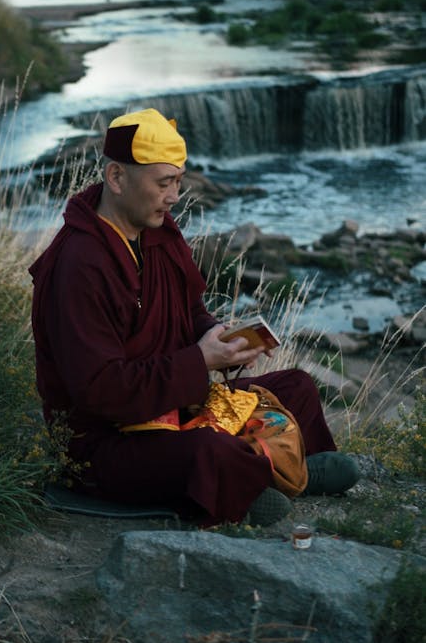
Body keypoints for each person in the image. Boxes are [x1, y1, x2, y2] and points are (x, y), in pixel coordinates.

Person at [29, 108, 359, 527]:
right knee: (209, 451)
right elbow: (100, 392)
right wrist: (199, 362)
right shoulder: (79, 265)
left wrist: (221, 340)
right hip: (105, 443)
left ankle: (272, 475)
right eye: (164, 183)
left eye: (179, 182)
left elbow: (190, 313)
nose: (174, 197)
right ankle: (272, 474)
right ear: (116, 178)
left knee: (297, 387)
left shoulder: (159, 233)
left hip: (174, 401)